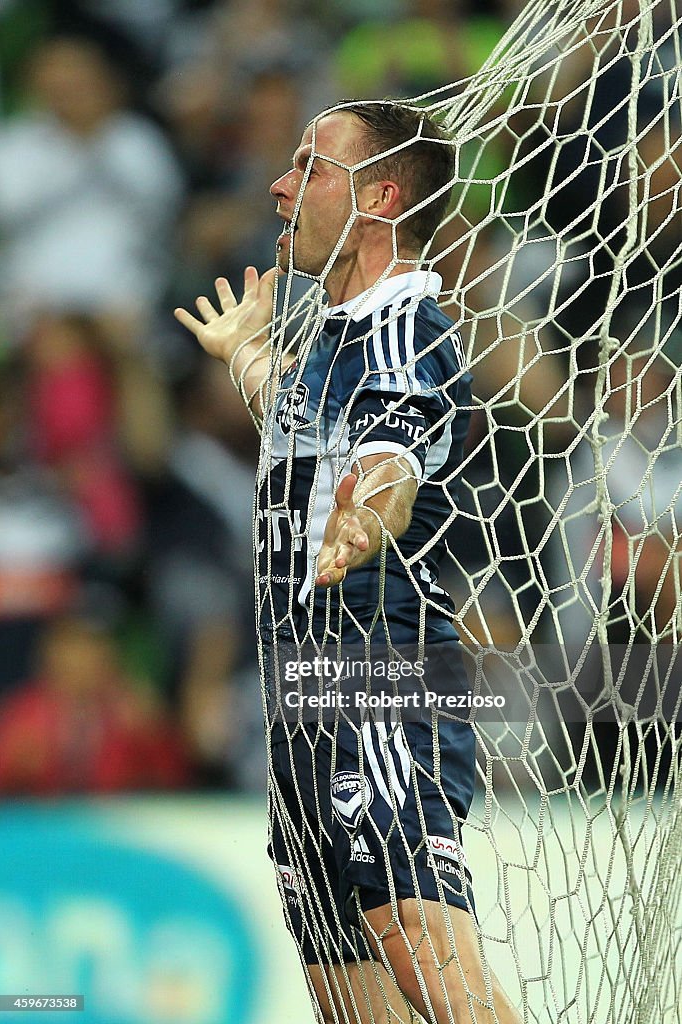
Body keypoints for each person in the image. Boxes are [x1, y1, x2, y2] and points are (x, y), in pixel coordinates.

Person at [175, 101, 521, 1024]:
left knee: (425, 957)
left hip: (374, 683)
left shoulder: (406, 329)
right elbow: (307, 423)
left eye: (309, 167)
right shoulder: (331, 333)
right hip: (300, 701)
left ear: (380, 197)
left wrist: (367, 516)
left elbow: (391, 457)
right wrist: (242, 351)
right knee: (346, 997)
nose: (281, 187)